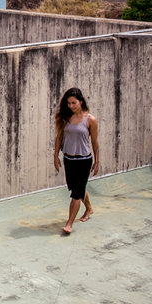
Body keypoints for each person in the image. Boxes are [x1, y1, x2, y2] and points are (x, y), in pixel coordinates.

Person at [53, 87, 100, 234]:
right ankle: (89, 209)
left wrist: (97, 161)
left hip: (84, 160)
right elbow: (59, 137)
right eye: (68, 103)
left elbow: (95, 142)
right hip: (68, 159)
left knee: (75, 194)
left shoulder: (90, 120)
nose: (71, 106)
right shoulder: (65, 119)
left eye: (74, 103)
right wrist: (55, 155)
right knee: (76, 189)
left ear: (81, 101)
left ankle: (69, 224)